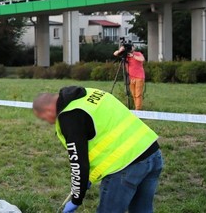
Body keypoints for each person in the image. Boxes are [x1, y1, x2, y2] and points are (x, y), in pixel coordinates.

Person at [33, 86, 162, 213]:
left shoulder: (70, 116)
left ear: (47, 110)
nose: (49, 122)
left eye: (44, 118)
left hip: (125, 166)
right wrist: (89, 177)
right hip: (152, 153)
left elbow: (78, 164)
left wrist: (76, 199)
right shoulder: (88, 93)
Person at [113, 45, 146, 110]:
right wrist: (120, 50)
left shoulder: (138, 54)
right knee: (133, 94)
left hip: (139, 77)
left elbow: (142, 59)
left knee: (138, 94)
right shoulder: (125, 55)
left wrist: (133, 56)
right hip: (131, 77)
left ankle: (138, 110)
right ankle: (137, 108)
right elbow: (115, 54)